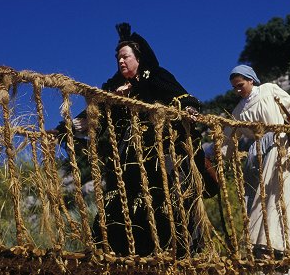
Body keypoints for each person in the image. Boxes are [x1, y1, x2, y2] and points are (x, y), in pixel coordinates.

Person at [52, 23, 217, 257]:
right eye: (118, 58)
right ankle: (125, 251)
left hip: (157, 150)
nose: (120, 62)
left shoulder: (156, 77)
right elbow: (91, 115)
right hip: (126, 156)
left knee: (163, 197)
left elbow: (182, 97)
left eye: (125, 57)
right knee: (121, 198)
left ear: (138, 58)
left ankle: (172, 249)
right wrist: (65, 129)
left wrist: (189, 109)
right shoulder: (112, 88)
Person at [222, 65, 290, 257]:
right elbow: (228, 138)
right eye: (235, 88)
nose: (238, 90)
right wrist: (221, 155)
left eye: (240, 85)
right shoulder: (238, 110)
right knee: (256, 194)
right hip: (256, 152)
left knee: (280, 190)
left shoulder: (269, 90)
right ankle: (261, 243)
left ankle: (287, 242)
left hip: (278, 142)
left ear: (251, 80)